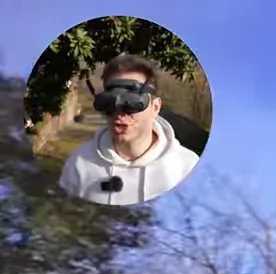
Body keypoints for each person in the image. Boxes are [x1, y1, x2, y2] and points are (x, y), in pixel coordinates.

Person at [58, 54, 200, 205]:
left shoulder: (188, 168)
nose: (119, 113)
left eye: (132, 102)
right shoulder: (80, 163)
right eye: (110, 101)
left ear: (155, 107)